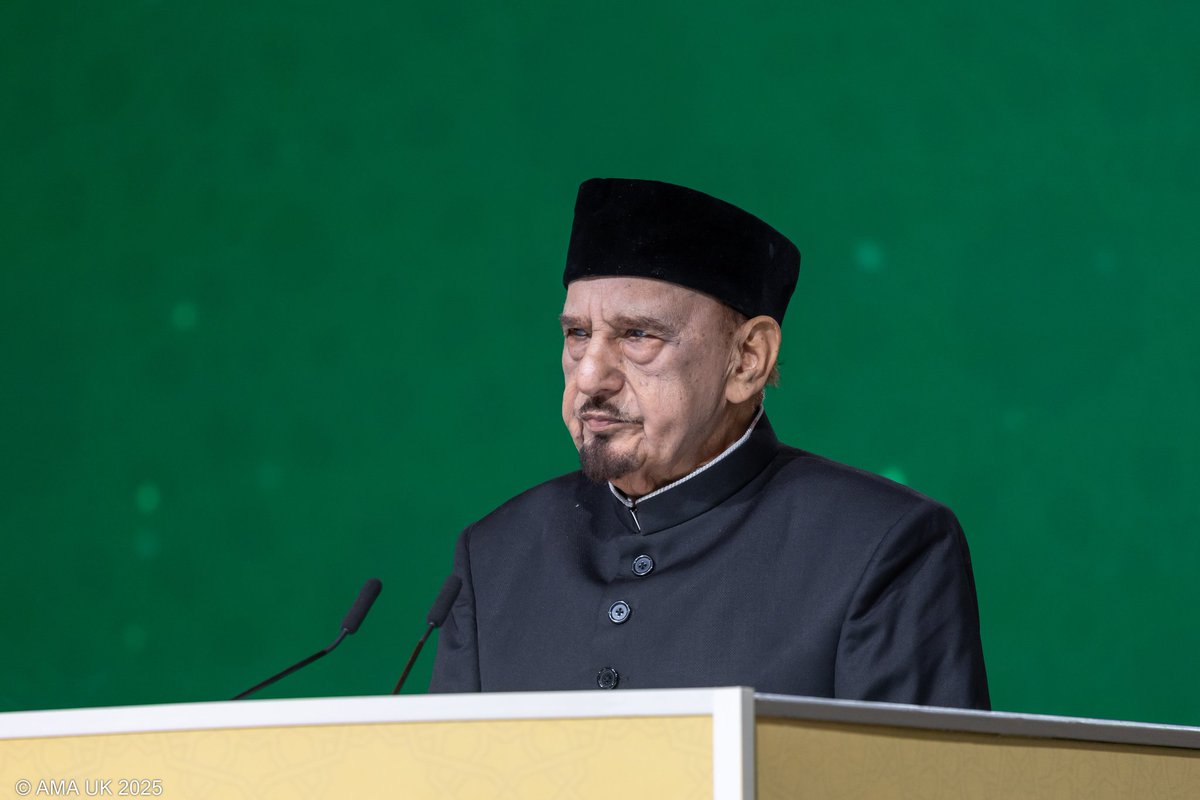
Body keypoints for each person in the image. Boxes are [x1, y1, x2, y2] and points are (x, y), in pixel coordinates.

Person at [429, 178, 990, 709]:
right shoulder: (494, 555)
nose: (591, 376)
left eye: (638, 335)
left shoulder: (879, 547)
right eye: (577, 334)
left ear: (747, 360)